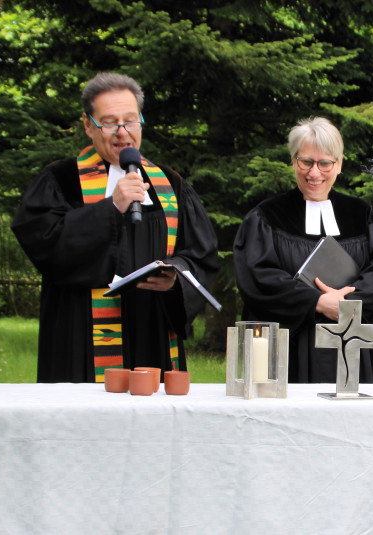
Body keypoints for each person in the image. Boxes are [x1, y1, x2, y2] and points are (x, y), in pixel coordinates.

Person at [11, 72, 219, 383]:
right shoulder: (61, 180)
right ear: (88, 125)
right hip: (82, 337)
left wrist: (175, 279)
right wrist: (111, 207)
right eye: (109, 123)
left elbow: (201, 254)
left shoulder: (171, 184)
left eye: (131, 121)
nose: (123, 133)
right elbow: (44, 242)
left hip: (153, 333)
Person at [233, 117, 373, 383]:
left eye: (325, 163)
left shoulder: (363, 216)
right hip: (292, 353)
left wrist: (347, 303)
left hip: (355, 345)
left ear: (339, 165)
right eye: (306, 162)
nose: (314, 173)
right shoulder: (266, 218)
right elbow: (258, 277)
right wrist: (315, 302)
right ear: (293, 162)